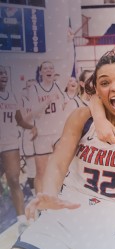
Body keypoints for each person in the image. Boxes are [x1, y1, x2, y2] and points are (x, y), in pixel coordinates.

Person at [12, 51, 115, 249]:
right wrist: (49, 192)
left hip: (111, 221)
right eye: (105, 82)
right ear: (97, 92)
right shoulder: (82, 117)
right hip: (66, 212)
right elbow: (58, 163)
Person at [0, 65, 37, 234]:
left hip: (9, 143)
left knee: (14, 179)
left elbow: (19, 120)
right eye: (0, 73)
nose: (3, 76)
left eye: (4, 73)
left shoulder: (12, 96)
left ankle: (22, 221)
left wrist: (32, 127)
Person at [28, 61, 66, 193]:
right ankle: (40, 201)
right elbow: (33, 113)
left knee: (60, 168)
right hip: (42, 135)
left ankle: (58, 197)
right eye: (45, 68)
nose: (48, 70)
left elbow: (65, 106)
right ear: (41, 72)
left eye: (51, 67)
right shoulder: (34, 89)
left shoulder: (59, 87)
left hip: (58, 133)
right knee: (41, 171)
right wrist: (47, 100)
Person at [18, 78, 37, 196]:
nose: (32, 89)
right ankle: (35, 196)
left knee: (43, 169)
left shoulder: (41, 99)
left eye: (34, 86)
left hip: (42, 138)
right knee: (32, 169)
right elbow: (22, 119)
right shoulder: (22, 101)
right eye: (29, 87)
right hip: (28, 137)